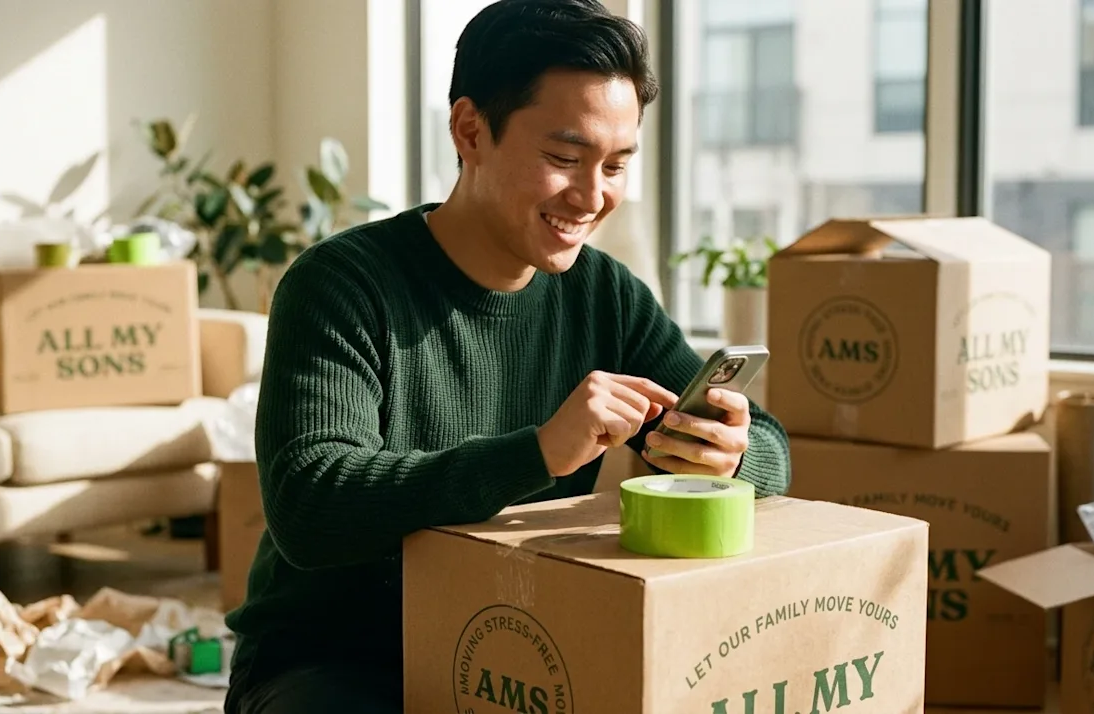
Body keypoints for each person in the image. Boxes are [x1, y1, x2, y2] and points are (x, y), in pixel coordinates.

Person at [223, 1, 791, 711]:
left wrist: (727, 451)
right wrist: (539, 453)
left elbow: (771, 448)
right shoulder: (341, 284)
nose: (591, 196)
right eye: (563, 158)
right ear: (470, 130)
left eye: (615, 165)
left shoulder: (607, 295)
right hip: (336, 659)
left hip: (520, 644)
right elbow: (309, 505)